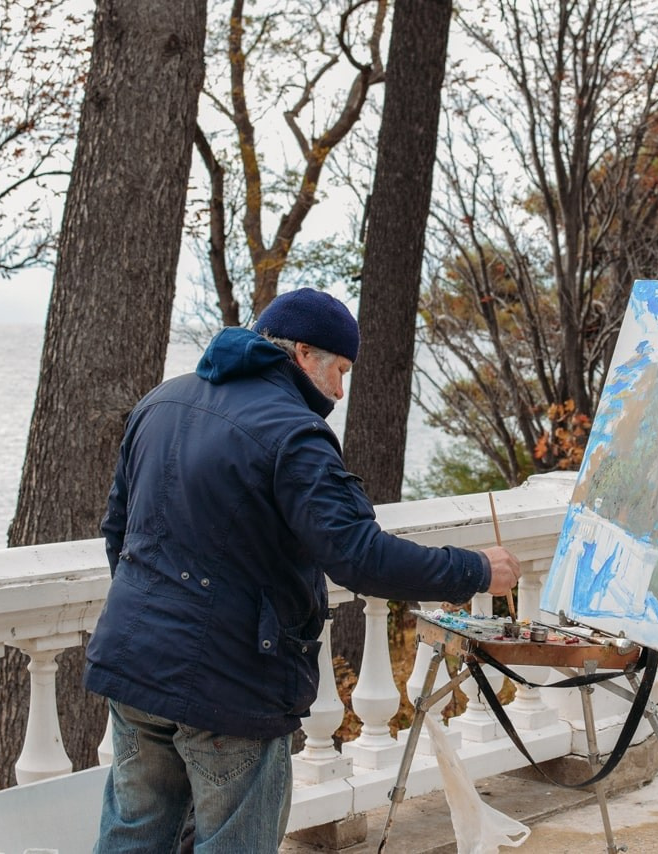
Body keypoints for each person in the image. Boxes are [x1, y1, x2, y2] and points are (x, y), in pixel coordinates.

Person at [85, 287, 521, 853]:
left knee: (132, 837)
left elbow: (117, 533)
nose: (340, 392)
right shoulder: (296, 433)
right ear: (301, 354)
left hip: (134, 665)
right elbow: (359, 556)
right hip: (230, 684)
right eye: (338, 370)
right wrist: (475, 569)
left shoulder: (161, 401)